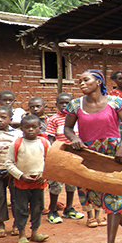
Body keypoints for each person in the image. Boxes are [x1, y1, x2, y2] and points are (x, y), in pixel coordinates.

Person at [64, 69, 122, 243]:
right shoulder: (75, 105)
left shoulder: (115, 102)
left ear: (98, 82)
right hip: (90, 156)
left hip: (114, 155)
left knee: (113, 198)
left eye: (85, 80)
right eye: (79, 81)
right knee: (102, 197)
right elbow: (67, 128)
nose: (81, 83)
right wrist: (74, 139)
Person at [5, 114, 50, 243]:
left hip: (39, 182)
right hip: (21, 182)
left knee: (38, 208)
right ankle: (22, 234)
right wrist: (20, 175)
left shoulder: (44, 143)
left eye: (34, 127)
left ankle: (35, 232)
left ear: (39, 128)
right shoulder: (17, 144)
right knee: (21, 208)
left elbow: (51, 161)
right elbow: (9, 163)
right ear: (21, 128)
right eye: (27, 127)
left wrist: (45, 174)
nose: (30, 130)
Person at [45, 93, 84, 224]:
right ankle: (53, 211)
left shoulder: (77, 118)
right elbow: (50, 138)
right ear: (56, 105)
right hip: (59, 156)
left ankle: (69, 208)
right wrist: (54, 154)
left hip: (74, 156)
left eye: (67, 103)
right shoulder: (54, 119)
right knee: (56, 185)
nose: (64, 106)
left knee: (71, 183)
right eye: (61, 103)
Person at [0, 106, 21, 238]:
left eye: (3, 118)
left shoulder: (17, 134)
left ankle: (17, 224)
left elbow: (21, 152)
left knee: (17, 198)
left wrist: (16, 169)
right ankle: (0, 224)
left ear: (10, 119)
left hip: (13, 171)